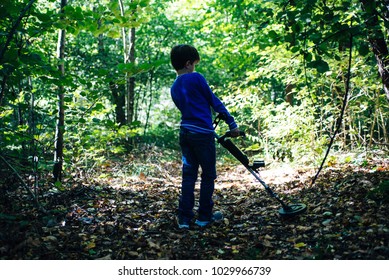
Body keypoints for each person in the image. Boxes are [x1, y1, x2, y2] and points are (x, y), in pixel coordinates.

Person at [170, 44, 241, 229]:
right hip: (202, 134)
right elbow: (213, 101)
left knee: (188, 176)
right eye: (194, 63)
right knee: (208, 175)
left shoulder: (174, 87)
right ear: (188, 64)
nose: (195, 67)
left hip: (185, 133)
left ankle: (184, 219)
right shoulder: (196, 78)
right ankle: (204, 217)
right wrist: (232, 124)